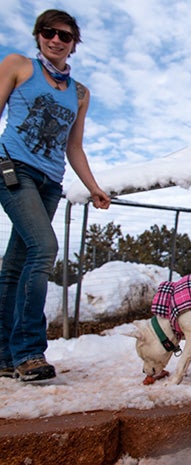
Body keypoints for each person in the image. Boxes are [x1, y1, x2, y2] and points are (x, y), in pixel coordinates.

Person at [0, 9, 110, 382]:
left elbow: (74, 147)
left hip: (50, 183)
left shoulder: (80, 93)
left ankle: (3, 354)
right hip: (13, 167)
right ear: (38, 35)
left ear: (74, 44)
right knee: (45, 248)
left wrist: (93, 186)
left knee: (16, 264)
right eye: (49, 32)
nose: (56, 40)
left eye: (65, 36)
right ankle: (29, 351)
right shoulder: (19, 66)